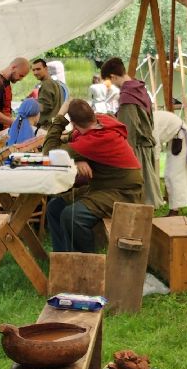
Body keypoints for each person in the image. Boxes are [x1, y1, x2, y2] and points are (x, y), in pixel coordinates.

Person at [42, 99, 143, 253]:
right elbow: (75, 138)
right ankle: (63, 258)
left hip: (124, 192)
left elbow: (48, 154)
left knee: (72, 216)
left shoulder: (94, 140)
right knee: (55, 207)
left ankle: (85, 262)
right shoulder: (102, 121)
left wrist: (60, 117)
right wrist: (77, 158)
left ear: (73, 124)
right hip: (104, 187)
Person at [100, 58, 160, 207]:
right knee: (144, 196)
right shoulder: (139, 89)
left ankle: (139, 220)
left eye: (109, 81)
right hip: (145, 145)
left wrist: (125, 157)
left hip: (137, 149)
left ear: (113, 76)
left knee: (137, 197)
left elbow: (128, 130)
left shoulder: (128, 97)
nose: (111, 84)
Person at [31, 58, 64, 133]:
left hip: (47, 128)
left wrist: (29, 107)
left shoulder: (47, 84)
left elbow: (44, 107)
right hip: (56, 126)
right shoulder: (56, 83)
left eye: (38, 69)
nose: (35, 72)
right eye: (33, 70)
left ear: (46, 69)